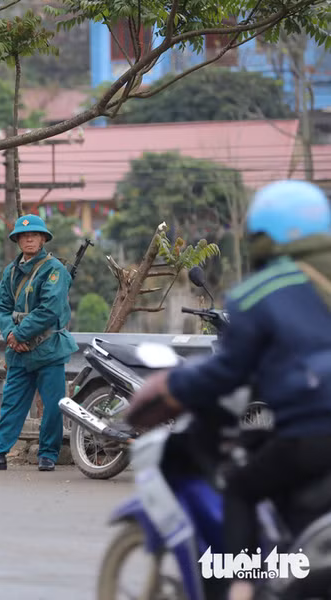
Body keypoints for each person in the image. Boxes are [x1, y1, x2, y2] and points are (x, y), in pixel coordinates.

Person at [127, 180, 331, 600]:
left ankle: (240, 588)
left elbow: (226, 372)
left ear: (263, 237)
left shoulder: (261, 293)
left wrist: (170, 386)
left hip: (312, 432)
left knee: (240, 486)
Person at [0, 214, 78, 471]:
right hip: (19, 351)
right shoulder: (12, 271)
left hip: (48, 349)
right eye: (24, 236)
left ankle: (48, 454)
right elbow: (1, 307)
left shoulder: (54, 270)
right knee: (12, 403)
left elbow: (49, 309)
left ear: (42, 239)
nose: (29, 238)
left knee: (52, 405)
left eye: (34, 235)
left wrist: (19, 334)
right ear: (17, 240)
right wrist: (10, 335)